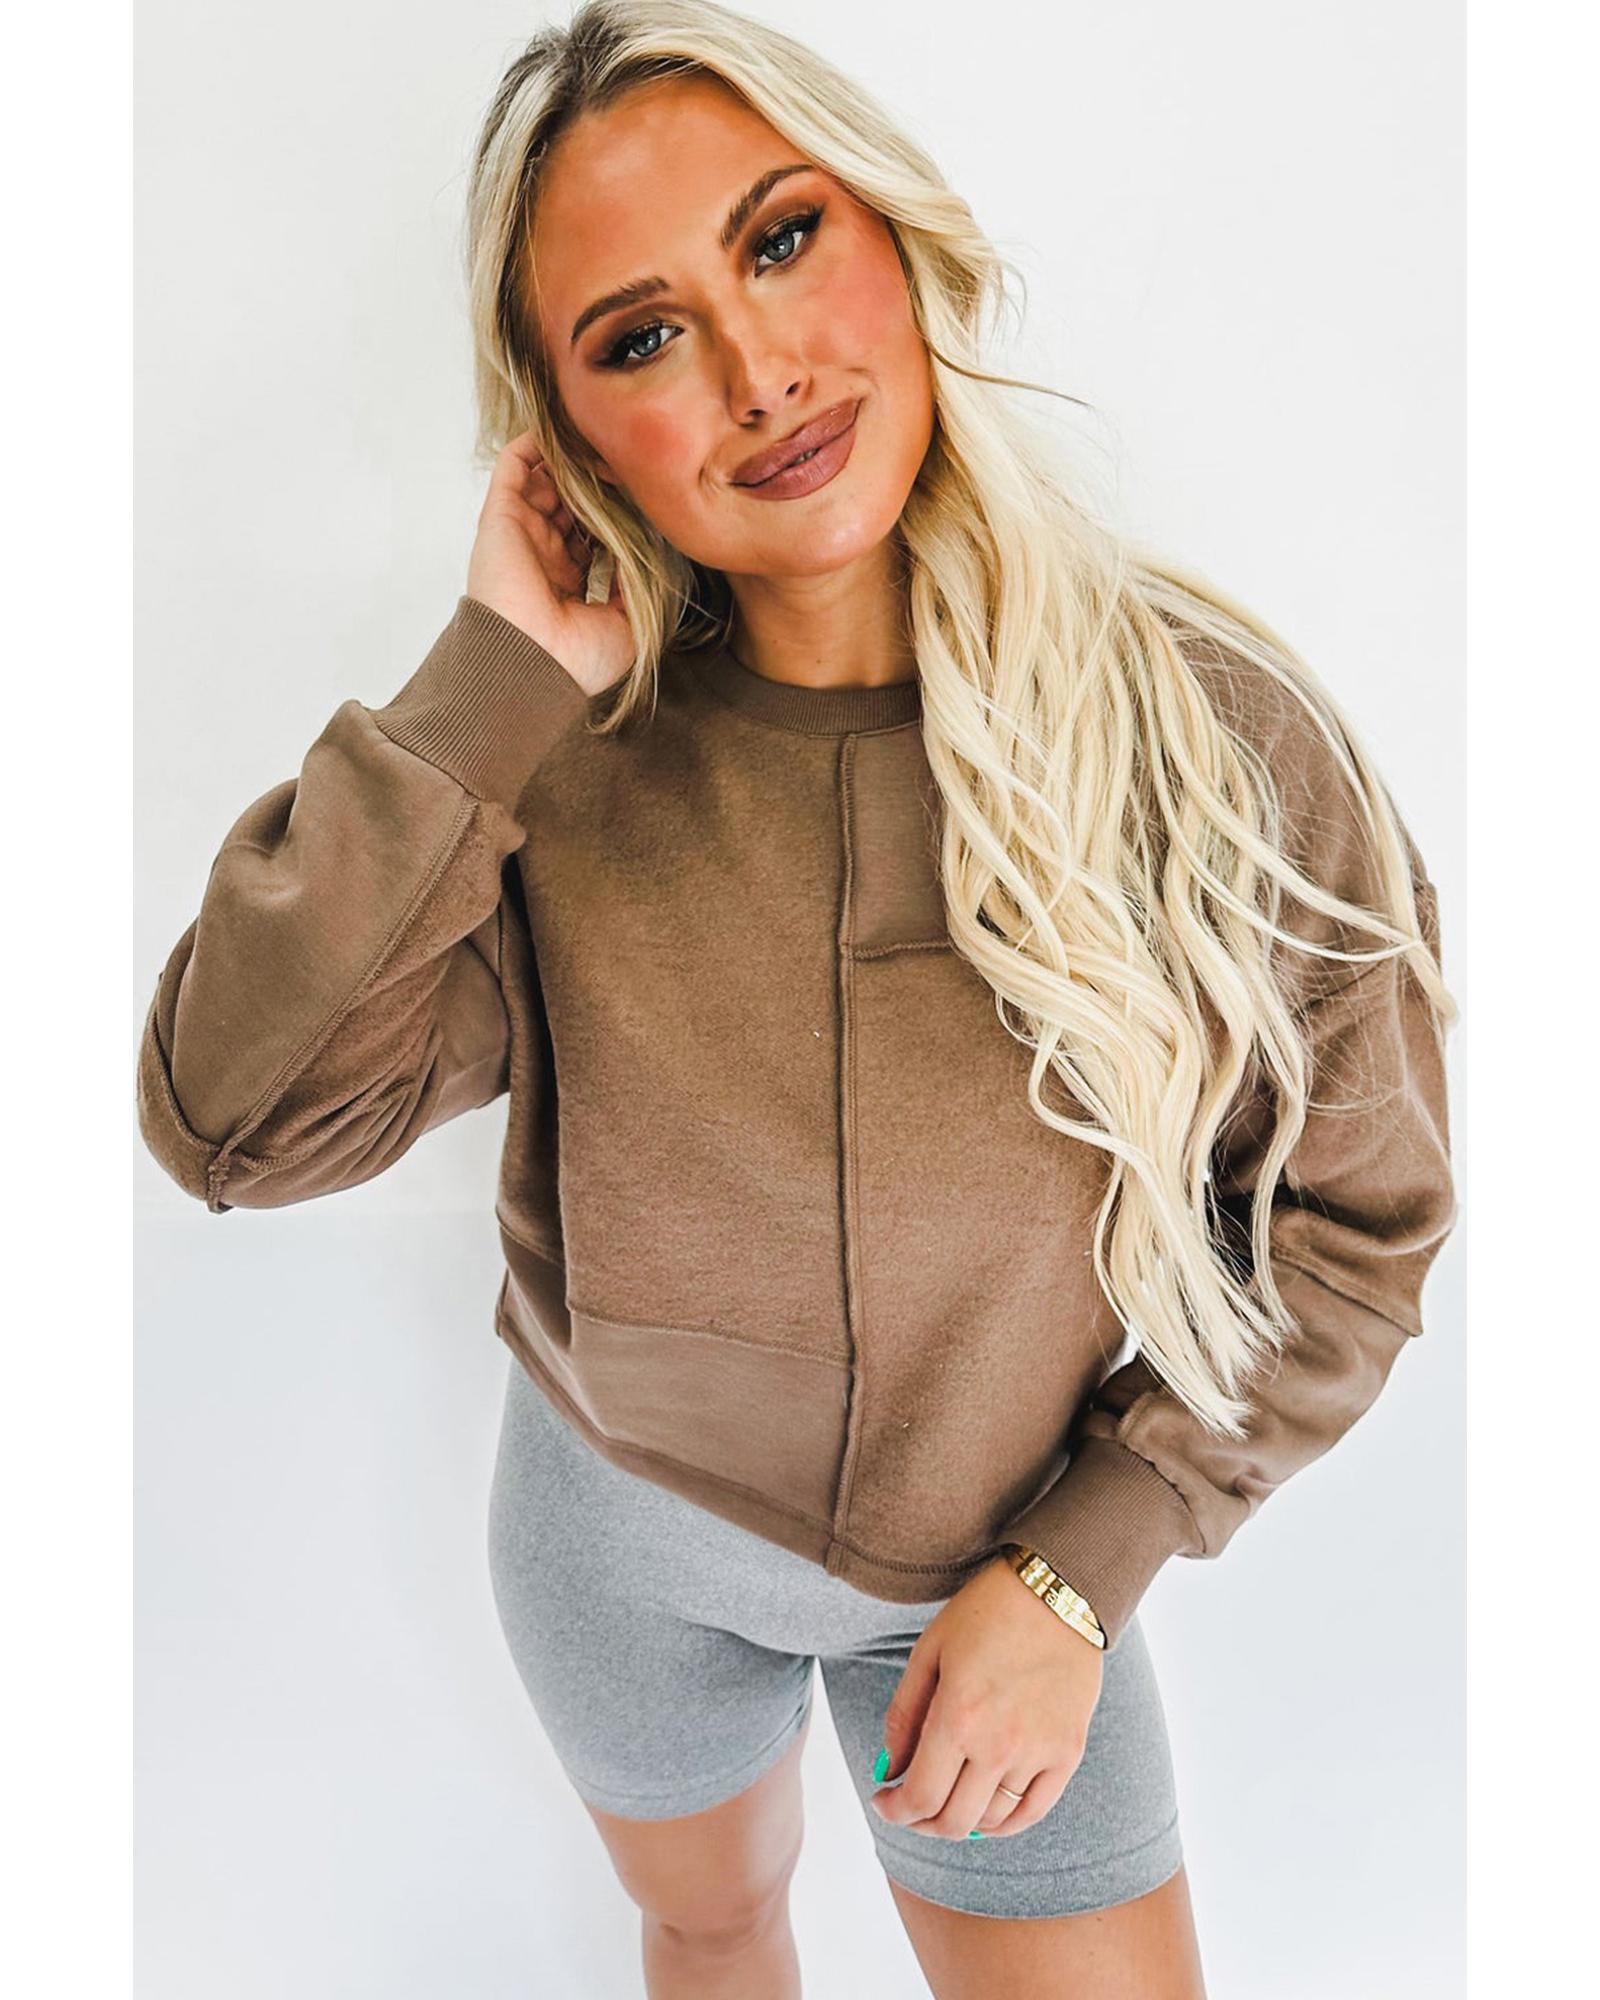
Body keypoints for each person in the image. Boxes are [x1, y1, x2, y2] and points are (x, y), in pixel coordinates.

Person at [135, 3, 1459, 1995]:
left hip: (1005, 1580)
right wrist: (489, 687)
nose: (756, 373)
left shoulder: (1215, 745)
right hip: (614, 1558)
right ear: (570, 437)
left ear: (896, 236)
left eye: (778, 240)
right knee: (708, 1923)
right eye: (639, 338)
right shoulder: (555, 772)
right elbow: (227, 1124)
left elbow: (1353, 1230)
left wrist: (1076, 1572)